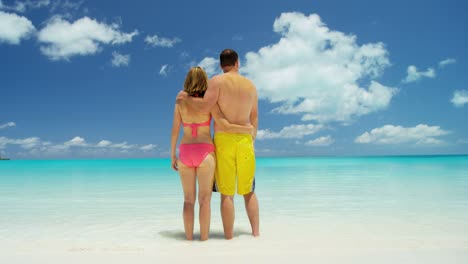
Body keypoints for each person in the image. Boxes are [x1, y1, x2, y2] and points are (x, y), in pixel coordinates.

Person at [178, 49, 259, 239]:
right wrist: (250, 136)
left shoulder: (217, 81)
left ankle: (229, 238)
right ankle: (256, 234)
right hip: (246, 139)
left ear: (221, 64)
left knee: (226, 193)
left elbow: (205, 107)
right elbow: (254, 116)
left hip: (224, 140)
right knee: (249, 191)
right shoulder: (251, 86)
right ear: (237, 62)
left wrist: (187, 98)